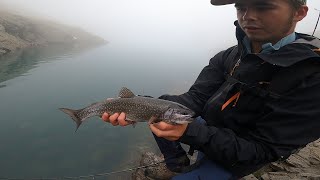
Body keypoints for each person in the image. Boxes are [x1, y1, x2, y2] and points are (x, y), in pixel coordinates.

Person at [102, 0, 320, 179]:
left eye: (263, 6)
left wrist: (191, 132)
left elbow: (264, 150)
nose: (248, 16)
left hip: (240, 159)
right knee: (157, 113)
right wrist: (140, 104)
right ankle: (177, 163)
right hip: (208, 130)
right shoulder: (229, 55)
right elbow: (195, 98)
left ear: (299, 13)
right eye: (241, 6)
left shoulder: (311, 75)